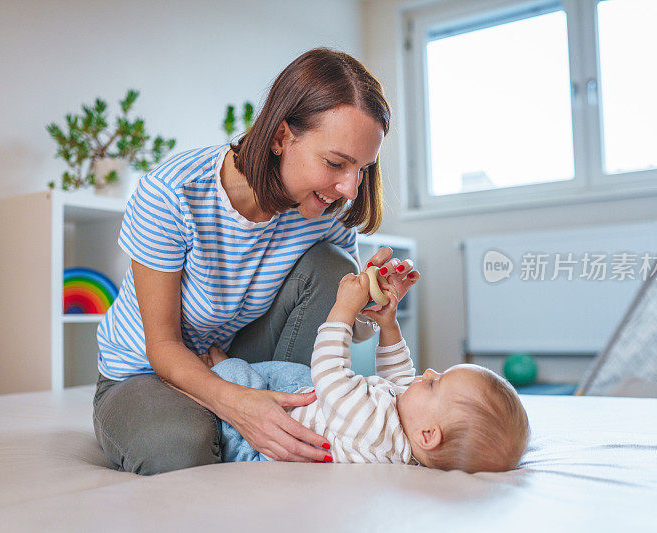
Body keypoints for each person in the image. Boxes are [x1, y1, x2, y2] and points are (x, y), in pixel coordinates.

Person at [92, 48, 422, 474]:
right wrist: (239, 405)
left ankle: (278, 428)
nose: (350, 188)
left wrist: (372, 306)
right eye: (336, 163)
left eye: (363, 169)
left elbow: (344, 325)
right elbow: (163, 347)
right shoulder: (172, 194)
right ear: (281, 137)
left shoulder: (327, 208)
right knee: (176, 451)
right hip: (146, 371)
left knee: (333, 267)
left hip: (240, 361)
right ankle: (232, 427)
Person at [204, 271, 531, 473]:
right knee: (294, 376)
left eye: (434, 384)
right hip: (311, 404)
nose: (429, 372)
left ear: (428, 436)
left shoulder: (374, 432)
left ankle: (216, 367)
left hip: (257, 444)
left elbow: (329, 371)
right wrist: (388, 324)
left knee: (240, 377)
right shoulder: (407, 432)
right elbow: (401, 379)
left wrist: (344, 308)